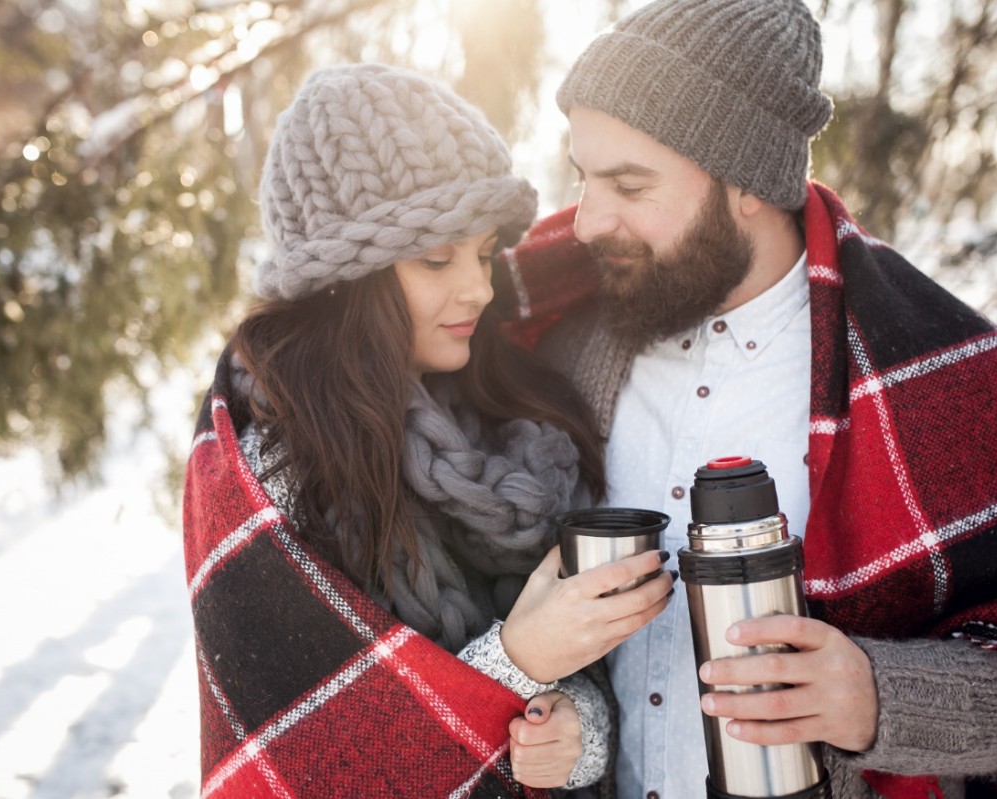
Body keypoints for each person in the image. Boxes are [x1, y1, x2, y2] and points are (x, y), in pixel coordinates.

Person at [491, 1, 997, 797]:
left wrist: (878, 694)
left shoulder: (933, 370)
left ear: (748, 183)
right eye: (583, 176)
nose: (588, 221)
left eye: (628, 183)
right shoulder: (561, 346)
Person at [181, 63, 675, 798]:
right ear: (344, 280)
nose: (478, 287)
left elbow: (586, 685)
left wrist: (574, 732)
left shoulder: (516, 420)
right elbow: (312, 764)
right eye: (436, 258)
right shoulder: (281, 470)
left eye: (482, 254)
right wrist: (517, 660)